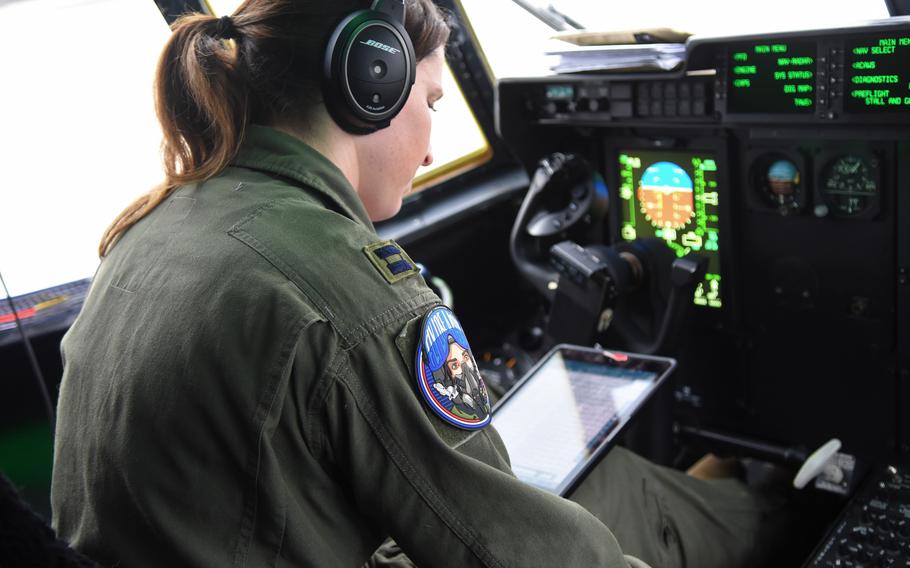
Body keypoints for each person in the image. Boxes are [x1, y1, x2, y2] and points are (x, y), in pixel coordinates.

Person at [51, 1, 785, 567]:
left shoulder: (150, 228)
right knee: (639, 501)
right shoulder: (348, 293)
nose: (434, 142)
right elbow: (515, 553)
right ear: (372, 84)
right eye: (432, 101)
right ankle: (789, 511)